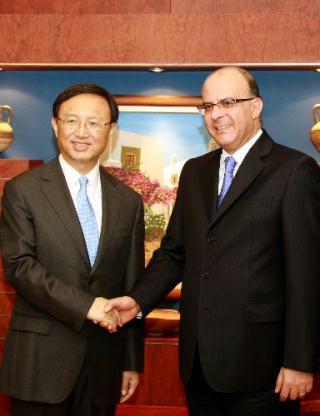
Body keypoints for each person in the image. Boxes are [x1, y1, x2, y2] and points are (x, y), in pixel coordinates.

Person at [105, 67, 320, 416]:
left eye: (228, 102)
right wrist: (136, 300)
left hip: (263, 370)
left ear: (256, 106)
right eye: (207, 106)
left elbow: (307, 274)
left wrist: (300, 360)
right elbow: (175, 253)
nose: (216, 114)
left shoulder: (294, 170)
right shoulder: (195, 171)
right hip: (199, 365)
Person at [0, 83, 145, 416]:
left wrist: (131, 361)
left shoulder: (128, 201)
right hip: (39, 363)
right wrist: (87, 306)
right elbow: (20, 267)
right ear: (55, 125)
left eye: (94, 123)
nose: (82, 132)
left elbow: (132, 284)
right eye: (72, 121)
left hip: (104, 366)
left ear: (111, 130)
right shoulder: (23, 191)